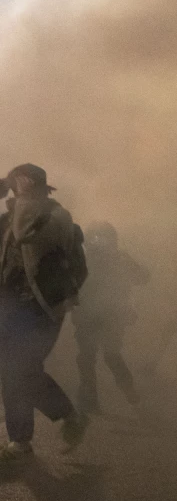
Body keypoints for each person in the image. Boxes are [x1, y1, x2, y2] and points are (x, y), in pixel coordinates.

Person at [0, 164, 89, 463]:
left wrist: (23, 197)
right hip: (10, 308)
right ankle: (22, 440)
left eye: (17, 183)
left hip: (40, 308)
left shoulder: (55, 217)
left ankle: (60, 418)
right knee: (12, 372)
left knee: (20, 369)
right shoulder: (9, 218)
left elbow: (26, 233)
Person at [73, 221, 150, 414]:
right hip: (88, 316)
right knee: (90, 358)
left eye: (103, 238)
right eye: (96, 238)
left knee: (108, 356)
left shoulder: (117, 259)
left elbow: (142, 278)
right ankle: (93, 401)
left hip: (109, 316)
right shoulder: (84, 259)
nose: (100, 242)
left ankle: (132, 399)